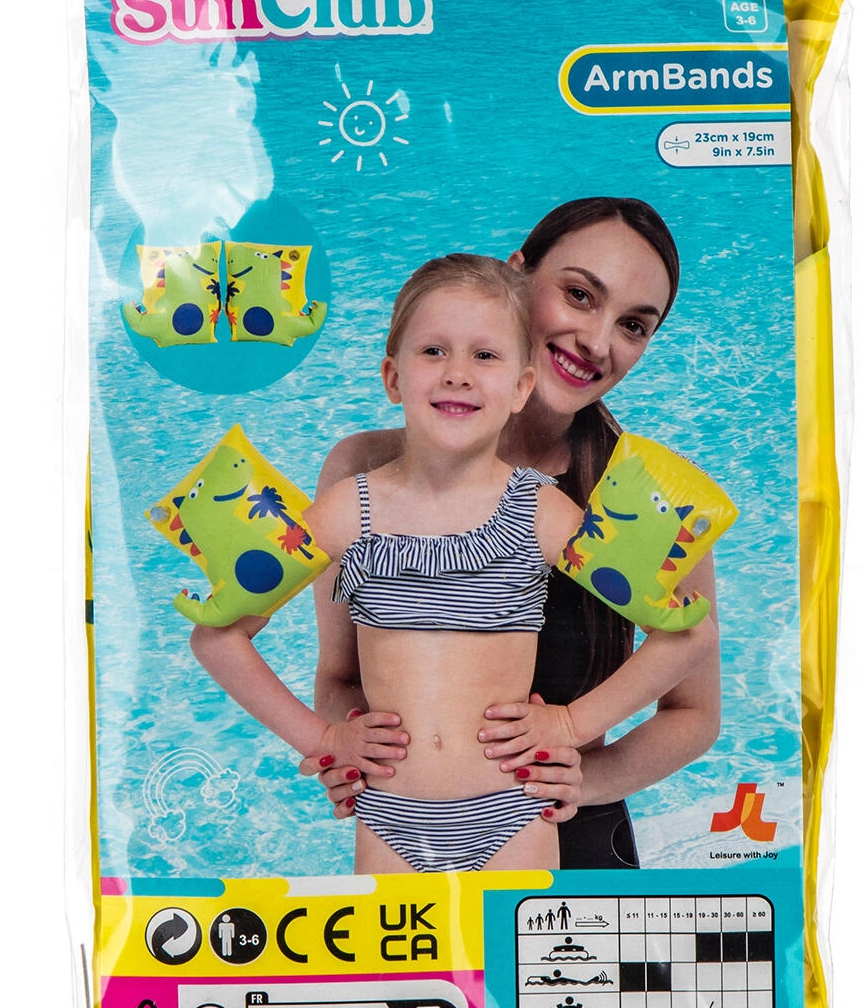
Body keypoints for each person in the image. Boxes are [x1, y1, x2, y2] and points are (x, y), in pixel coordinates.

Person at [191, 252, 714, 874]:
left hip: (513, 808)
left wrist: (573, 725)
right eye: (434, 351)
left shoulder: (538, 512)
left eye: (485, 355)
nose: (458, 374)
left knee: (510, 942)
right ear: (392, 377)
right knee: (397, 946)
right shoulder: (349, 509)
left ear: (521, 388)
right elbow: (218, 636)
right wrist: (324, 740)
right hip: (388, 813)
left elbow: (686, 635)